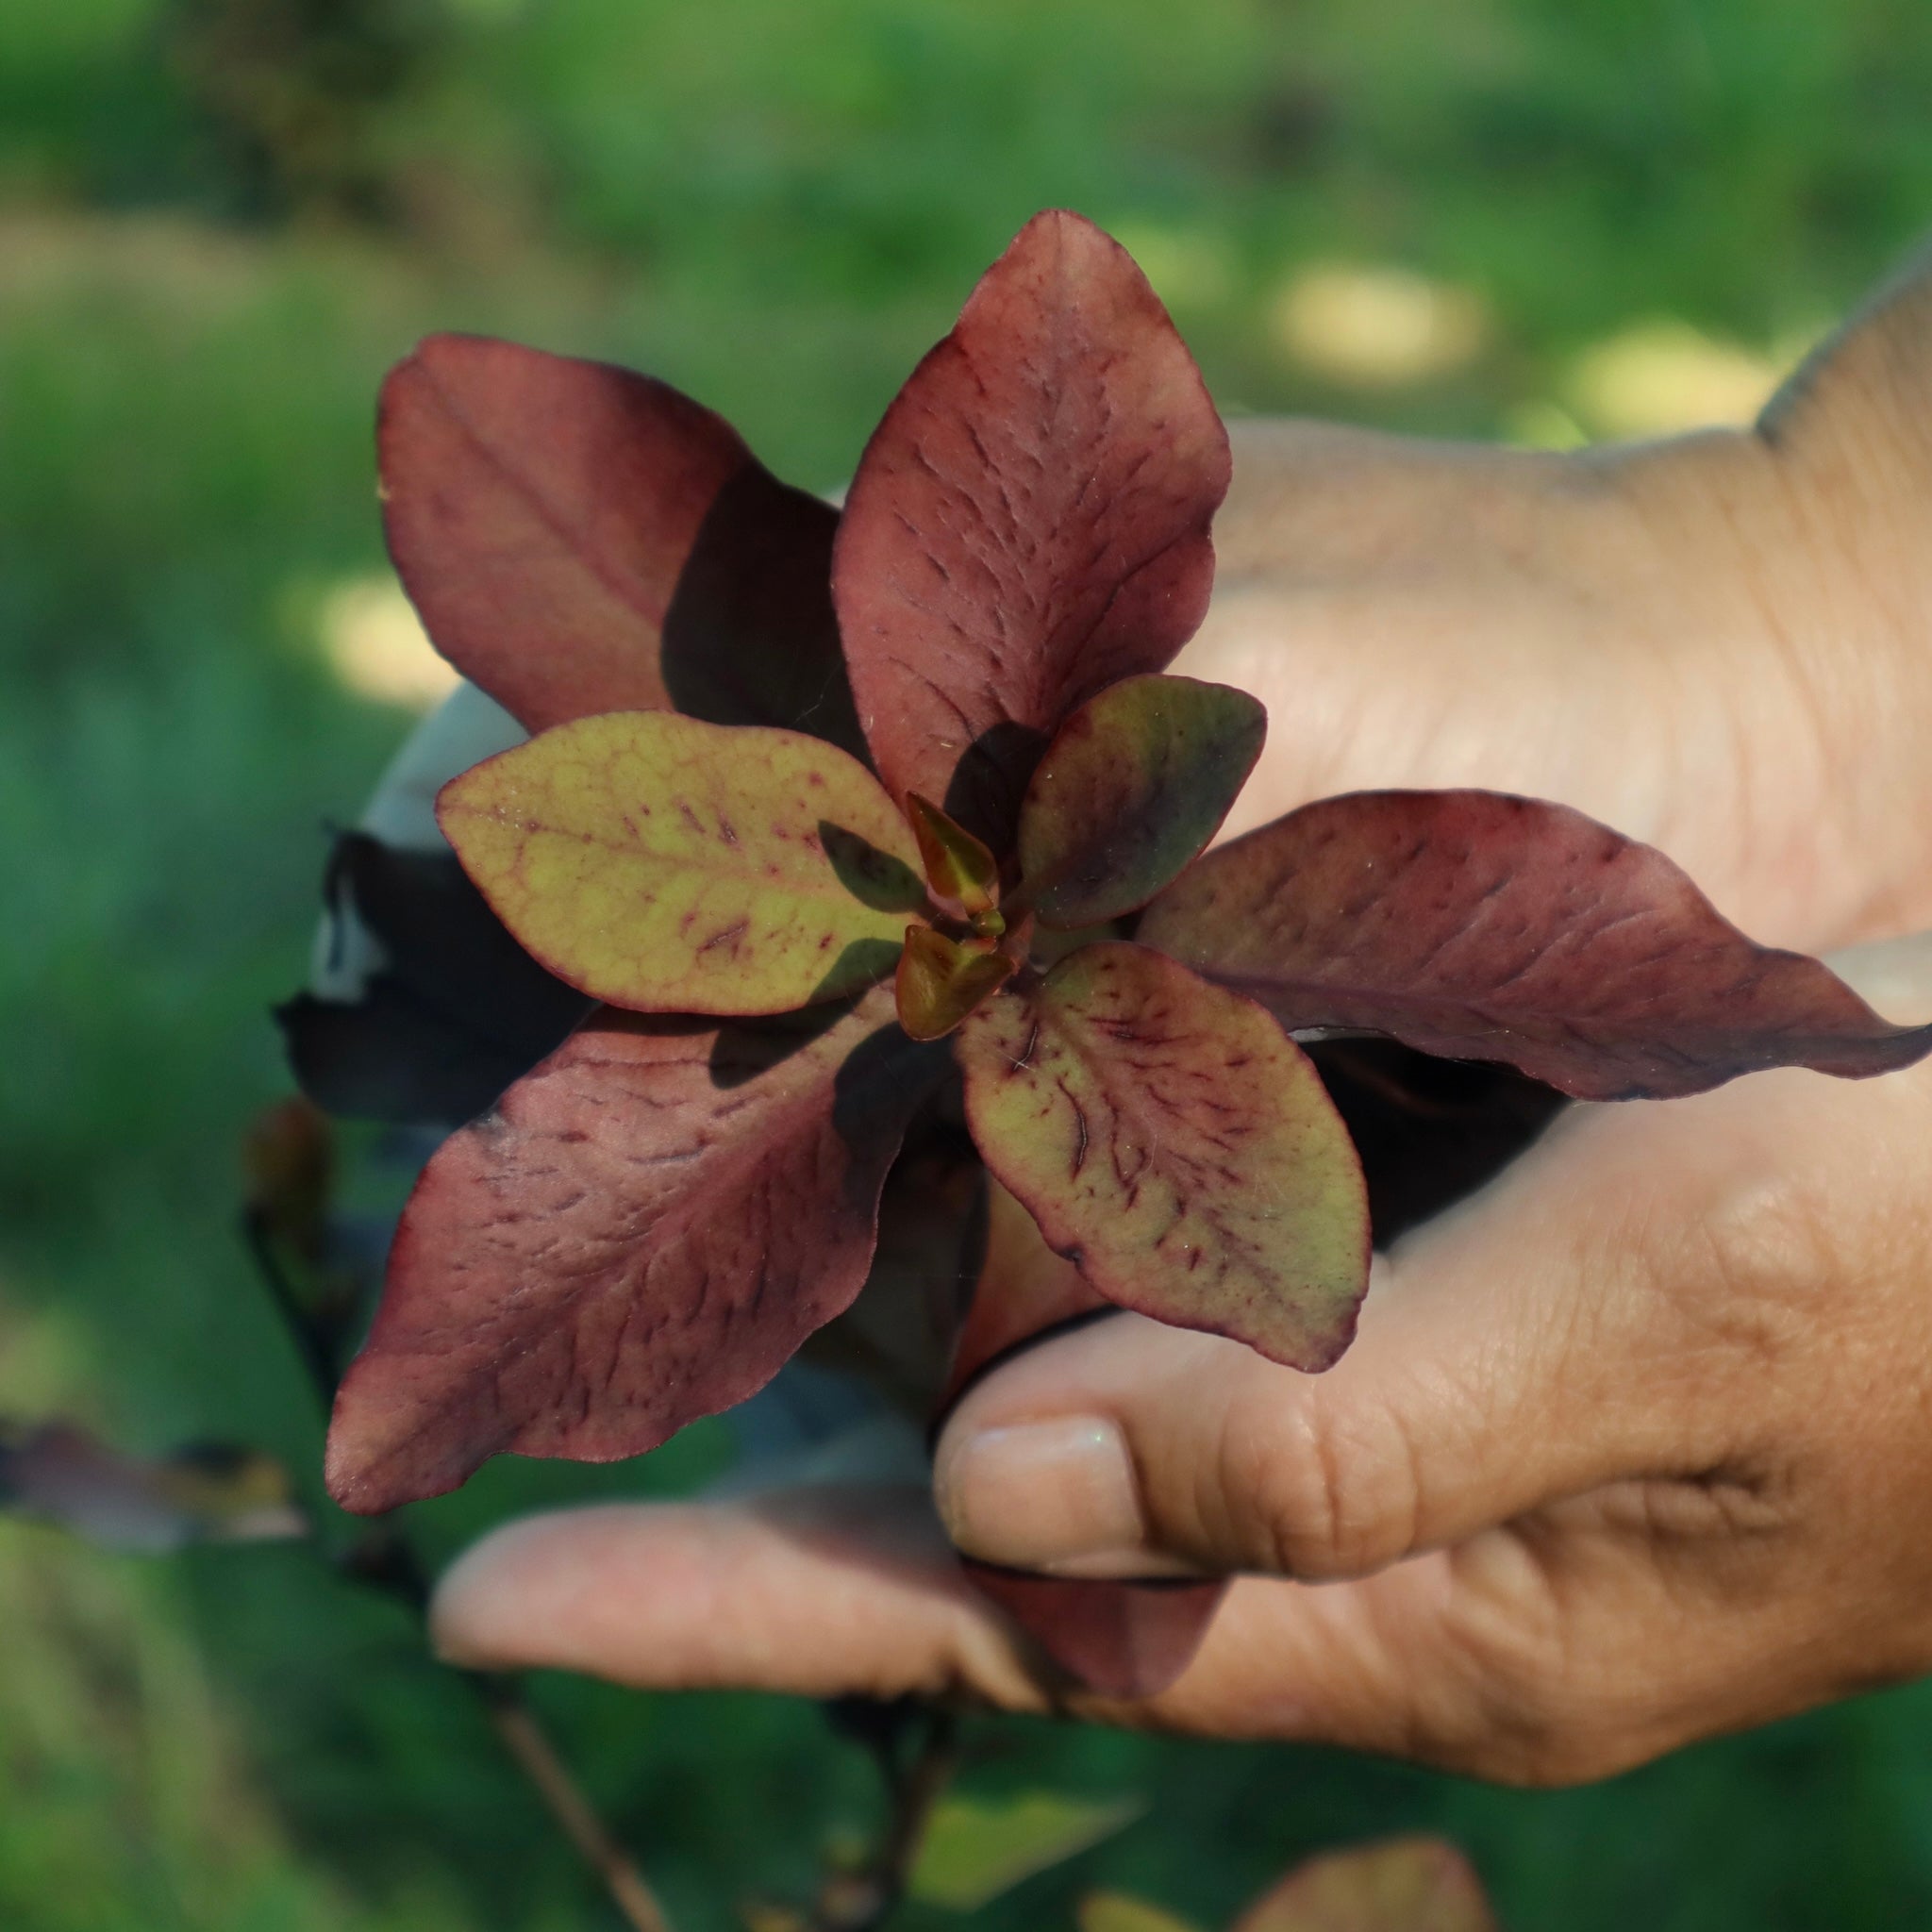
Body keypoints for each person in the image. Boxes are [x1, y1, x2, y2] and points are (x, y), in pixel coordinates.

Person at [428, 244, 1932, 1788]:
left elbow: (1061, 365)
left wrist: (1829, 595)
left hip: (1108, 991)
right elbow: (1039, 350)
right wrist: (1810, 580)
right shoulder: (915, 947)